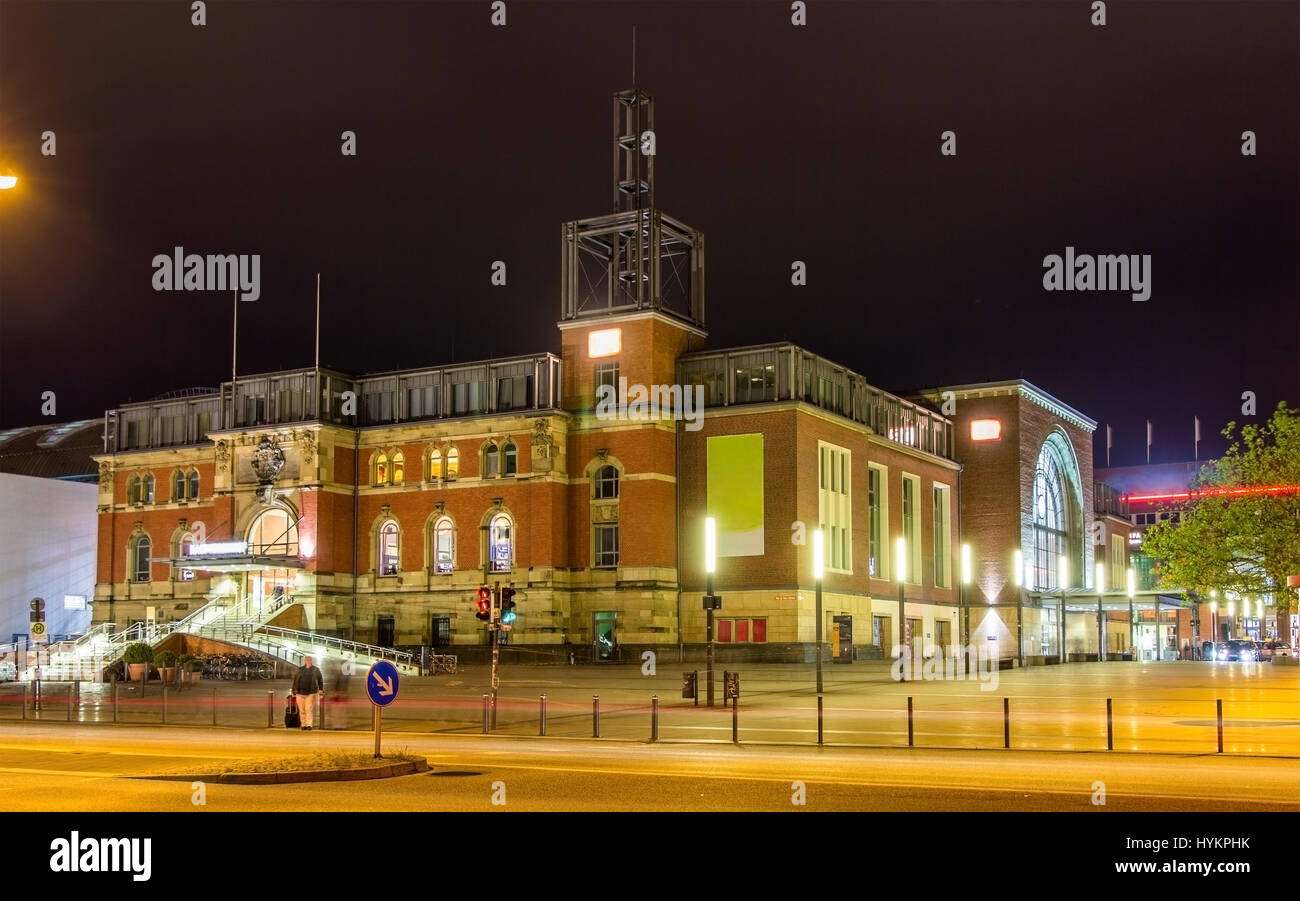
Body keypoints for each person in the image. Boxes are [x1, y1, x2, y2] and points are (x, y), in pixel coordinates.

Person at [293, 655, 324, 731]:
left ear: (311, 661)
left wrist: (320, 689)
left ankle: (309, 725)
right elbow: (295, 680)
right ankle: (303, 724)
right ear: (305, 661)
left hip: (310, 692)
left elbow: (320, 679)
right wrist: (294, 691)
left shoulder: (315, 669)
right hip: (299, 692)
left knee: (308, 709)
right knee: (302, 709)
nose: (308, 661)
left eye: (309, 660)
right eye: (307, 660)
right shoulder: (300, 669)